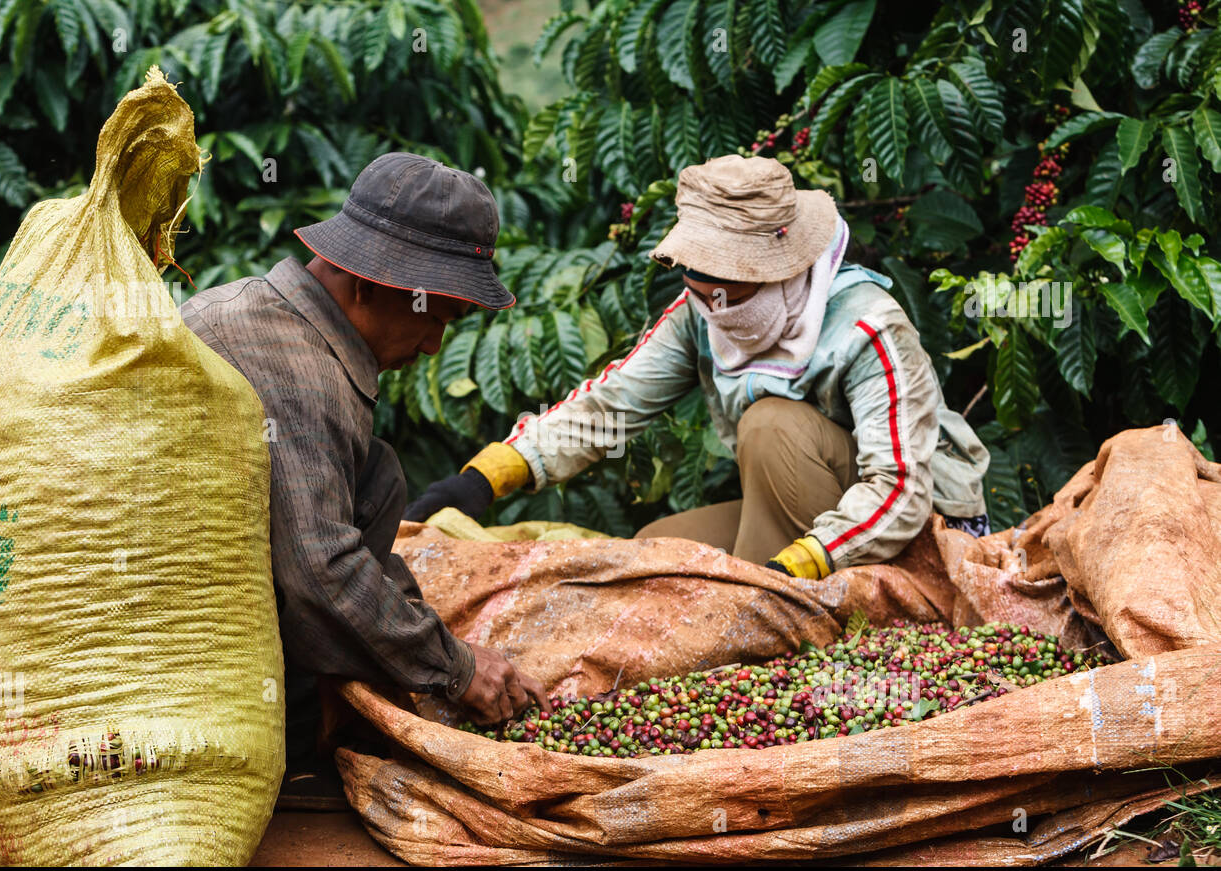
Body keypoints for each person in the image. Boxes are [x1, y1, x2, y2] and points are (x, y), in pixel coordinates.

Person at [405, 154, 992, 578]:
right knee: (658, 552)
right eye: (700, 289)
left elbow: (899, 490)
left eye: (726, 292)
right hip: (803, 504)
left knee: (770, 427)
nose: (712, 309)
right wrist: (486, 478)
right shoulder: (700, 315)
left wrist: (801, 565)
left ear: (776, 270)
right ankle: (761, 591)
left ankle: (776, 620)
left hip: (909, 524)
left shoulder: (868, 325)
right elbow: (612, 407)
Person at [181, 152, 549, 808]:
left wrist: (416, 626)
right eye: (434, 315)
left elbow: (338, 522)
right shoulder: (297, 371)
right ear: (369, 283)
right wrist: (455, 668)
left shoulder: (273, 318)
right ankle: (293, 728)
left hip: (202, 593)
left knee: (375, 474)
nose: (436, 344)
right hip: (175, 634)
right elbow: (321, 567)